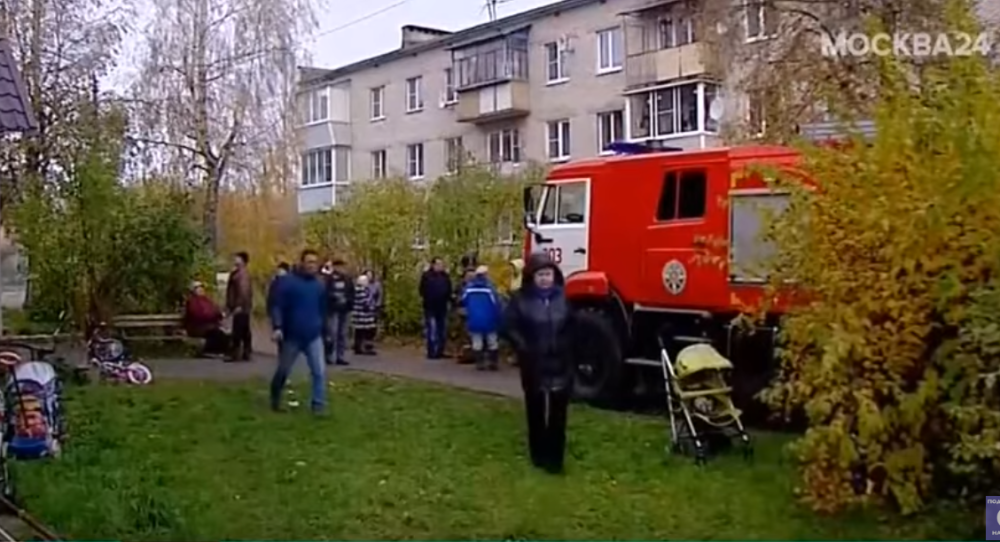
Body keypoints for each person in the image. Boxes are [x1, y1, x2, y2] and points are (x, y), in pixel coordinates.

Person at [501, 252, 576, 474]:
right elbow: (508, 327)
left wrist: (570, 348)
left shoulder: (564, 298)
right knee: (536, 411)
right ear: (532, 277)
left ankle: (555, 460)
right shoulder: (521, 300)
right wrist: (523, 346)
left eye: (548, 274)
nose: (545, 278)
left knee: (558, 414)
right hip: (534, 365)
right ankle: (538, 455)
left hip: (560, 364)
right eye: (540, 274)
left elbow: (574, 326)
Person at [269, 249, 328, 414]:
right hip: (291, 336)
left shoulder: (319, 285)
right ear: (301, 263)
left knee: (319, 371)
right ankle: (275, 399)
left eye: (315, 262)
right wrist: (278, 327)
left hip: (313, 335)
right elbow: (277, 306)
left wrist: (325, 329)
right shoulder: (288, 283)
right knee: (283, 370)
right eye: (309, 262)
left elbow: (323, 309)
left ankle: (318, 405)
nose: (312, 265)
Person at [460, 265, 503, 371]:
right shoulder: (490, 289)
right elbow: (497, 304)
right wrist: (499, 317)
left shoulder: (469, 288)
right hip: (489, 319)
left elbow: (463, 301)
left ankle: (480, 363)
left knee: (477, 342)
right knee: (492, 341)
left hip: (474, 319)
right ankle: (493, 362)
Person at [183, 281, 229, 357]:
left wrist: (218, 315)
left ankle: (221, 352)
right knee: (215, 333)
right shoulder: (192, 302)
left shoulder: (207, 300)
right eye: (198, 288)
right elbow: (198, 315)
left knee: (221, 334)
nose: (201, 290)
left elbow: (215, 310)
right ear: (193, 291)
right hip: (197, 327)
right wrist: (213, 315)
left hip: (209, 326)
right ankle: (209, 351)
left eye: (201, 288)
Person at [419, 257, 452, 359]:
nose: (440, 266)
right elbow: (421, 290)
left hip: (442, 307)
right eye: (438, 264)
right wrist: (428, 298)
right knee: (432, 330)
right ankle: (432, 352)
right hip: (430, 307)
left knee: (442, 331)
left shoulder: (445, 276)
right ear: (433, 265)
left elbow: (449, 289)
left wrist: (448, 299)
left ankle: (440, 351)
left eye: (441, 264)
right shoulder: (427, 276)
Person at [325, 259, 354, 366]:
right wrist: (334, 297)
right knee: (332, 333)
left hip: (345, 310)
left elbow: (352, 292)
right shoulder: (329, 279)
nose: (341, 269)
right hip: (333, 309)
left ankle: (340, 356)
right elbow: (325, 293)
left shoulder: (348, 279)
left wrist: (348, 301)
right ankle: (328, 355)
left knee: (343, 334)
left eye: (342, 267)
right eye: (338, 267)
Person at [225, 251, 253, 362]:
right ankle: (246, 352)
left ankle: (235, 353)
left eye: (237, 258)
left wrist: (239, 305)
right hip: (242, 306)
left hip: (241, 306)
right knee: (244, 330)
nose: (234, 260)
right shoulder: (237, 273)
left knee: (238, 330)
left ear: (242, 260)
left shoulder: (242, 274)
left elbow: (244, 290)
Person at [352, 274, 378, 355]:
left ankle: (358, 347)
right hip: (363, 315)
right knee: (364, 331)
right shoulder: (362, 290)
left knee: (359, 332)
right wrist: (371, 306)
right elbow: (365, 302)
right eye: (366, 281)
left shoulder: (356, 289)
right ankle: (362, 347)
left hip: (358, 314)